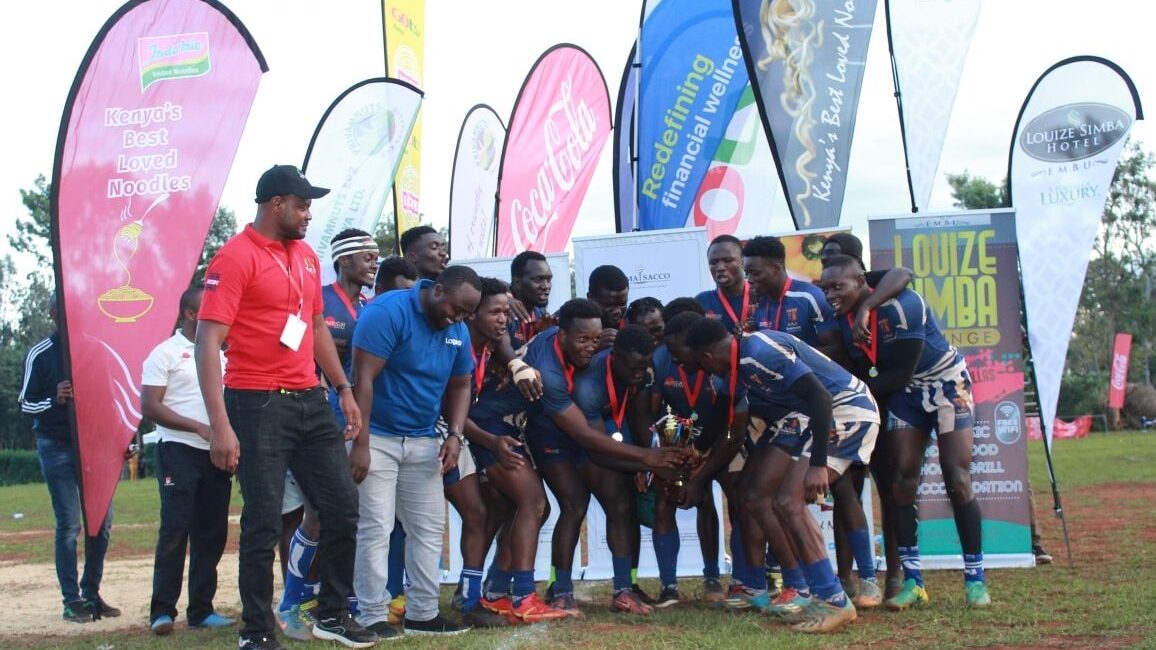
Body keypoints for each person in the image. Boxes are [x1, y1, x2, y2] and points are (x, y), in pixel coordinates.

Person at [196, 164, 375, 650]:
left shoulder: (308, 258)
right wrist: (220, 426)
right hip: (255, 403)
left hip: (311, 399)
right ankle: (256, 632)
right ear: (276, 203)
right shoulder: (233, 258)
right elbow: (206, 342)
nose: (308, 214)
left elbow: (315, 328)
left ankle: (333, 615)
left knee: (342, 505)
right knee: (263, 519)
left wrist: (342, 389)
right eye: (301, 205)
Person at [821, 254, 991, 610]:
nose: (830, 294)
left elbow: (903, 274)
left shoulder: (904, 306)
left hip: (946, 385)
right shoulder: (842, 313)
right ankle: (914, 582)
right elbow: (891, 379)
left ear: (861, 282)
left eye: (837, 286)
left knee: (957, 478)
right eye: (826, 287)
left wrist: (867, 308)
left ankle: (976, 581)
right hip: (906, 395)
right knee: (901, 484)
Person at [687, 318, 879, 633]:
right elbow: (723, 416)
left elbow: (821, 398)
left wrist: (817, 463)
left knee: (789, 502)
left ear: (707, 357)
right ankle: (817, 592)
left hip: (847, 410)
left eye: (701, 366)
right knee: (777, 501)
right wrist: (695, 452)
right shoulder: (739, 364)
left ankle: (833, 599)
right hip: (810, 418)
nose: (707, 373)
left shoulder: (759, 351)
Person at [349, 265, 482, 637]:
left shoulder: (456, 329)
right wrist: (360, 444)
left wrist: (454, 436)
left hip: (423, 438)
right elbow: (363, 380)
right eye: (457, 310)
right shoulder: (387, 312)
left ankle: (423, 613)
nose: (459, 319)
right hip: (375, 433)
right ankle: (371, 613)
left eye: (468, 314)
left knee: (427, 527)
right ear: (438, 290)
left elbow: (460, 384)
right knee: (375, 525)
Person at [277, 229, 379, 639]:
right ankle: (292, 600)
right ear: (344, 260)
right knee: (316, 513)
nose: (375, 262)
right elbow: (291, 346)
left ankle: (339, 598)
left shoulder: (372, 306)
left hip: (361, 418)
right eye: (367, 256)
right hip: (319, 420)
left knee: (350, 509)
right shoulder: (318, 299)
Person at [628, 308, 745, 607]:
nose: (673, 356)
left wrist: (704, 455)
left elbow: (731, 421)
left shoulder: (720, 365)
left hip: (721, 432)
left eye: (677, 350)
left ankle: (719, 577)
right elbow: (645, 412)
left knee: (729, 494)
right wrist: (654, 455)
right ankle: (669, 586)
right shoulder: (661, 361)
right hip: (675, 430)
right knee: (667, 498)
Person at [20, 294, 120, 623]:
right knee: (69, 525)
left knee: (101, 523)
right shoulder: (41, 353)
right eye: (65, 311)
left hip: (92, 447)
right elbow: (25, 403)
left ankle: (91, 592)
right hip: (57, 445)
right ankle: (71, 600)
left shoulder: (95, 348)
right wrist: (54, 398)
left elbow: (108, 397)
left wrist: (117, 437)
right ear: (53, 315)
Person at [142, 287, 234, 635]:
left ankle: (201, 610)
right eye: (207, 309)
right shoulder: (165, 353)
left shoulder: (223, 354)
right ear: (190, 314)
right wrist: (199, 427)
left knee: (211, 532)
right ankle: (162, 612)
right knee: (176, 529)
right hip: (178, 449)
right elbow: (150, 406)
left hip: (216, 452)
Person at [696, 234, 754, 334]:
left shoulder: (762, 296)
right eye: (714, 262)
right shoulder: (701, 301)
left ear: (742, 261)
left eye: (728, 260)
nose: (720, 267)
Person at [506, 250, 555, 349]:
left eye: (548, 280)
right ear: (518, 282)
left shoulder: (540, 313)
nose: (546, 286)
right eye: (538, 279)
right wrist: (504, 295)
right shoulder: (504, 311)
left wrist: (540, 334)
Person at [587, 265, 630, 351]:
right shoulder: (572, 324)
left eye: (622, 303)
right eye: (609, 305)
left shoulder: (634, 321)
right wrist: (593, 347)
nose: (617, 311)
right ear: (590, 298)